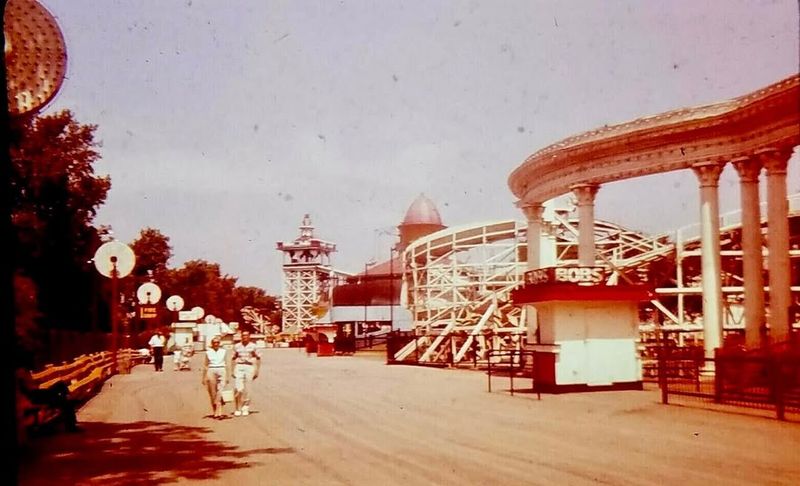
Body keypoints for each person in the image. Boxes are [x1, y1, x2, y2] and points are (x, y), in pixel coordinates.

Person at [15, 351, 80, 433]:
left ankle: (67, 397)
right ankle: (71, 426)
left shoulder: (25, 371)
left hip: (38, 393)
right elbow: (26, 389)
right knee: (65, 401)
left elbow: (31, 385)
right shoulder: (20, 372)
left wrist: (36, 384)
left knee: (61, 384)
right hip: (35, 396)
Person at [232, 331, 261, 416]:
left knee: (248, 389)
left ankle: (245, 407)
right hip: (239, 366)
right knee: (238, 388)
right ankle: (238, 408)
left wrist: (257, 370)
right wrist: (232, 370)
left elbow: (258, 358)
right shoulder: (237, 346)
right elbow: (233, 358)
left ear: (249, 337)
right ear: (241, 337)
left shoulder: (253, 346)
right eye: (243, 336)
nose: (245, 337)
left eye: (246, 336)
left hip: (249, 366)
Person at [201, 336, 229, 418]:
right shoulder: (208, 352)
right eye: (214, 343)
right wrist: (204, 377)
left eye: (217, 343)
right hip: (211, 369)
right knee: (212, 392)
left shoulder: (223, 351)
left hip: (221, 369)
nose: (216, 344)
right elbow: (205, 365)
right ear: (212, 344)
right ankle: (216, 411)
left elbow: (226, 364)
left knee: (220, 391)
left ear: (219, 344)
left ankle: (219, 411)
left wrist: (227, 376)